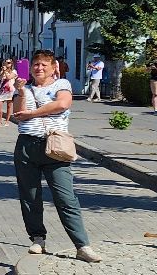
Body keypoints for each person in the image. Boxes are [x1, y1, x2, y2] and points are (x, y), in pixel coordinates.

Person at [12, 49, 100, 262]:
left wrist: (33, 113)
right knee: (30, 196)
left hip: (55, 145)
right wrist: (20, 91)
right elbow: (18, 113)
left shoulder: (61, 84)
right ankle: (37, 238)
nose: (39, 68)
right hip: (26, 145)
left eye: (44, 64)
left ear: (53, 68)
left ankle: (82, 245)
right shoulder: (25, 88)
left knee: (65, 196)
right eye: (36, 64)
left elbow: (62, 104)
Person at [0, 60, 17, 125]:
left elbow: (9, 78)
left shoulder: (14, 71)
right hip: (2, 90)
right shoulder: (2, 71)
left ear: (11, 64)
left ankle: (7, 121)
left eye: (8, 63)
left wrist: (5, 72)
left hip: (10, 90)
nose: (7, 64)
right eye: (6, 62)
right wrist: (3, 72)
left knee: (9, 106)